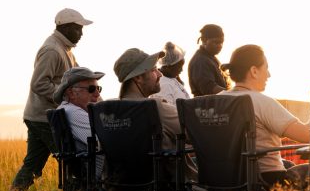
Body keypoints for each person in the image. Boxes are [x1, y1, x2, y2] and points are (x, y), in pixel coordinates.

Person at [7, 8, 93, 191]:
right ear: (67, 28)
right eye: (79, 29)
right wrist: (67, 97)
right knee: (73, 161)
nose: (82, 33)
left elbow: (78, 77)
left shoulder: (65, 49)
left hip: (40, 116)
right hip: (44, 118)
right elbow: (38, 83)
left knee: (32, 165)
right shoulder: (52, 50)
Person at [218, 45, 310, 190]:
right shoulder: (260, 101)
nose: (269, 75)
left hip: (222, 183)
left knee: (290, 165)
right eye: (266, 68)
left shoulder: (216, 101)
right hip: (265, 183)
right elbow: (308, 135)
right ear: (254, 71)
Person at [114, 48, 197, 180]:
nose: (160, 74)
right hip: (173, 189)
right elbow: (195, 133)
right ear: (138, 77)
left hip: (124, 190)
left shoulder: (110, 111)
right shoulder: (155, 108)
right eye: (153, 70)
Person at [54, 67, 105, 178]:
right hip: (103, 176)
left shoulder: (68, 109)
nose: (97, 94)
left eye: (98, 88)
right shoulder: (74, 112)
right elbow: (105, 143)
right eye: (91, 89)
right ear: (71, 93)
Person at [188, 24, 229, 96]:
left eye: (222, 42)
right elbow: (209, 88)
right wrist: (234, 94)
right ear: (204, 40)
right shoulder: (200, 61)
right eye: (216, 42)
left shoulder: (210, 58)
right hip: (207, 106)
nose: (220, 46)